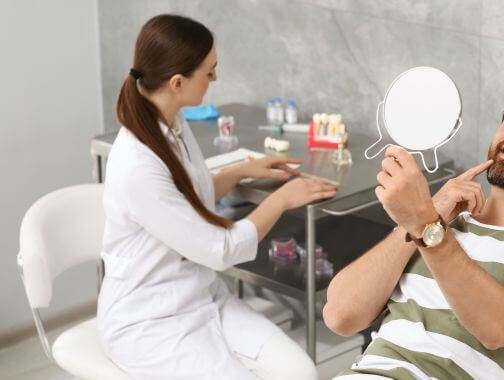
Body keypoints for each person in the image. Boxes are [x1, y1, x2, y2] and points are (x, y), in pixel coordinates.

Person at [97, 14, 333, 380]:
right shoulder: (137, 165)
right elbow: (219, 249)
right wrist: (282, 199)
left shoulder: (172, 123)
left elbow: (188, 194)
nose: (214, 79)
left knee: (299, 371)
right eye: (208, 72)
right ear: (177, 82)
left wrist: (239, 172)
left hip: (203, 298)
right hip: (150, 321)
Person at [324, 71, 504, 379]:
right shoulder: (437, 225)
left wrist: (426, 225)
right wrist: (422, 220)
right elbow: (340, 316)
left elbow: (500, 327)